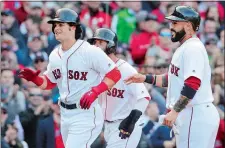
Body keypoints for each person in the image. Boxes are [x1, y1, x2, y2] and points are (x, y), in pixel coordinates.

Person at [18, 8, 121, 148]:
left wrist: (96, 91)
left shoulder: (90, 51)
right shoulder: (55, 55)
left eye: (61, 25)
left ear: (73, 27)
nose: (56, 28)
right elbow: (48, 83)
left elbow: (115, 74)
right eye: (55, 25)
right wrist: (35, 80)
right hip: (65, 114)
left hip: (86, 113)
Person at [124, 6, 220, 148]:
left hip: (195, 114)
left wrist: (175, 111)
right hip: (194, 114)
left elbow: (192, 84)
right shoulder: (185, 47)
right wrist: (145, 78)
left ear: (188, 26)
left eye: (175, 23)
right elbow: (173, 79)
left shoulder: (192, 48)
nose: (171, 27)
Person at [88, 28, 150, 148]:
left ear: (111, 45)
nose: (96, 46)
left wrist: (131, 121)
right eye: (94, 43)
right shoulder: (97, 68)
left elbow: (144, 97)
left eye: (100, 43)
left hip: (125, 124)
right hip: (108, 126)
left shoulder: (126, 70)